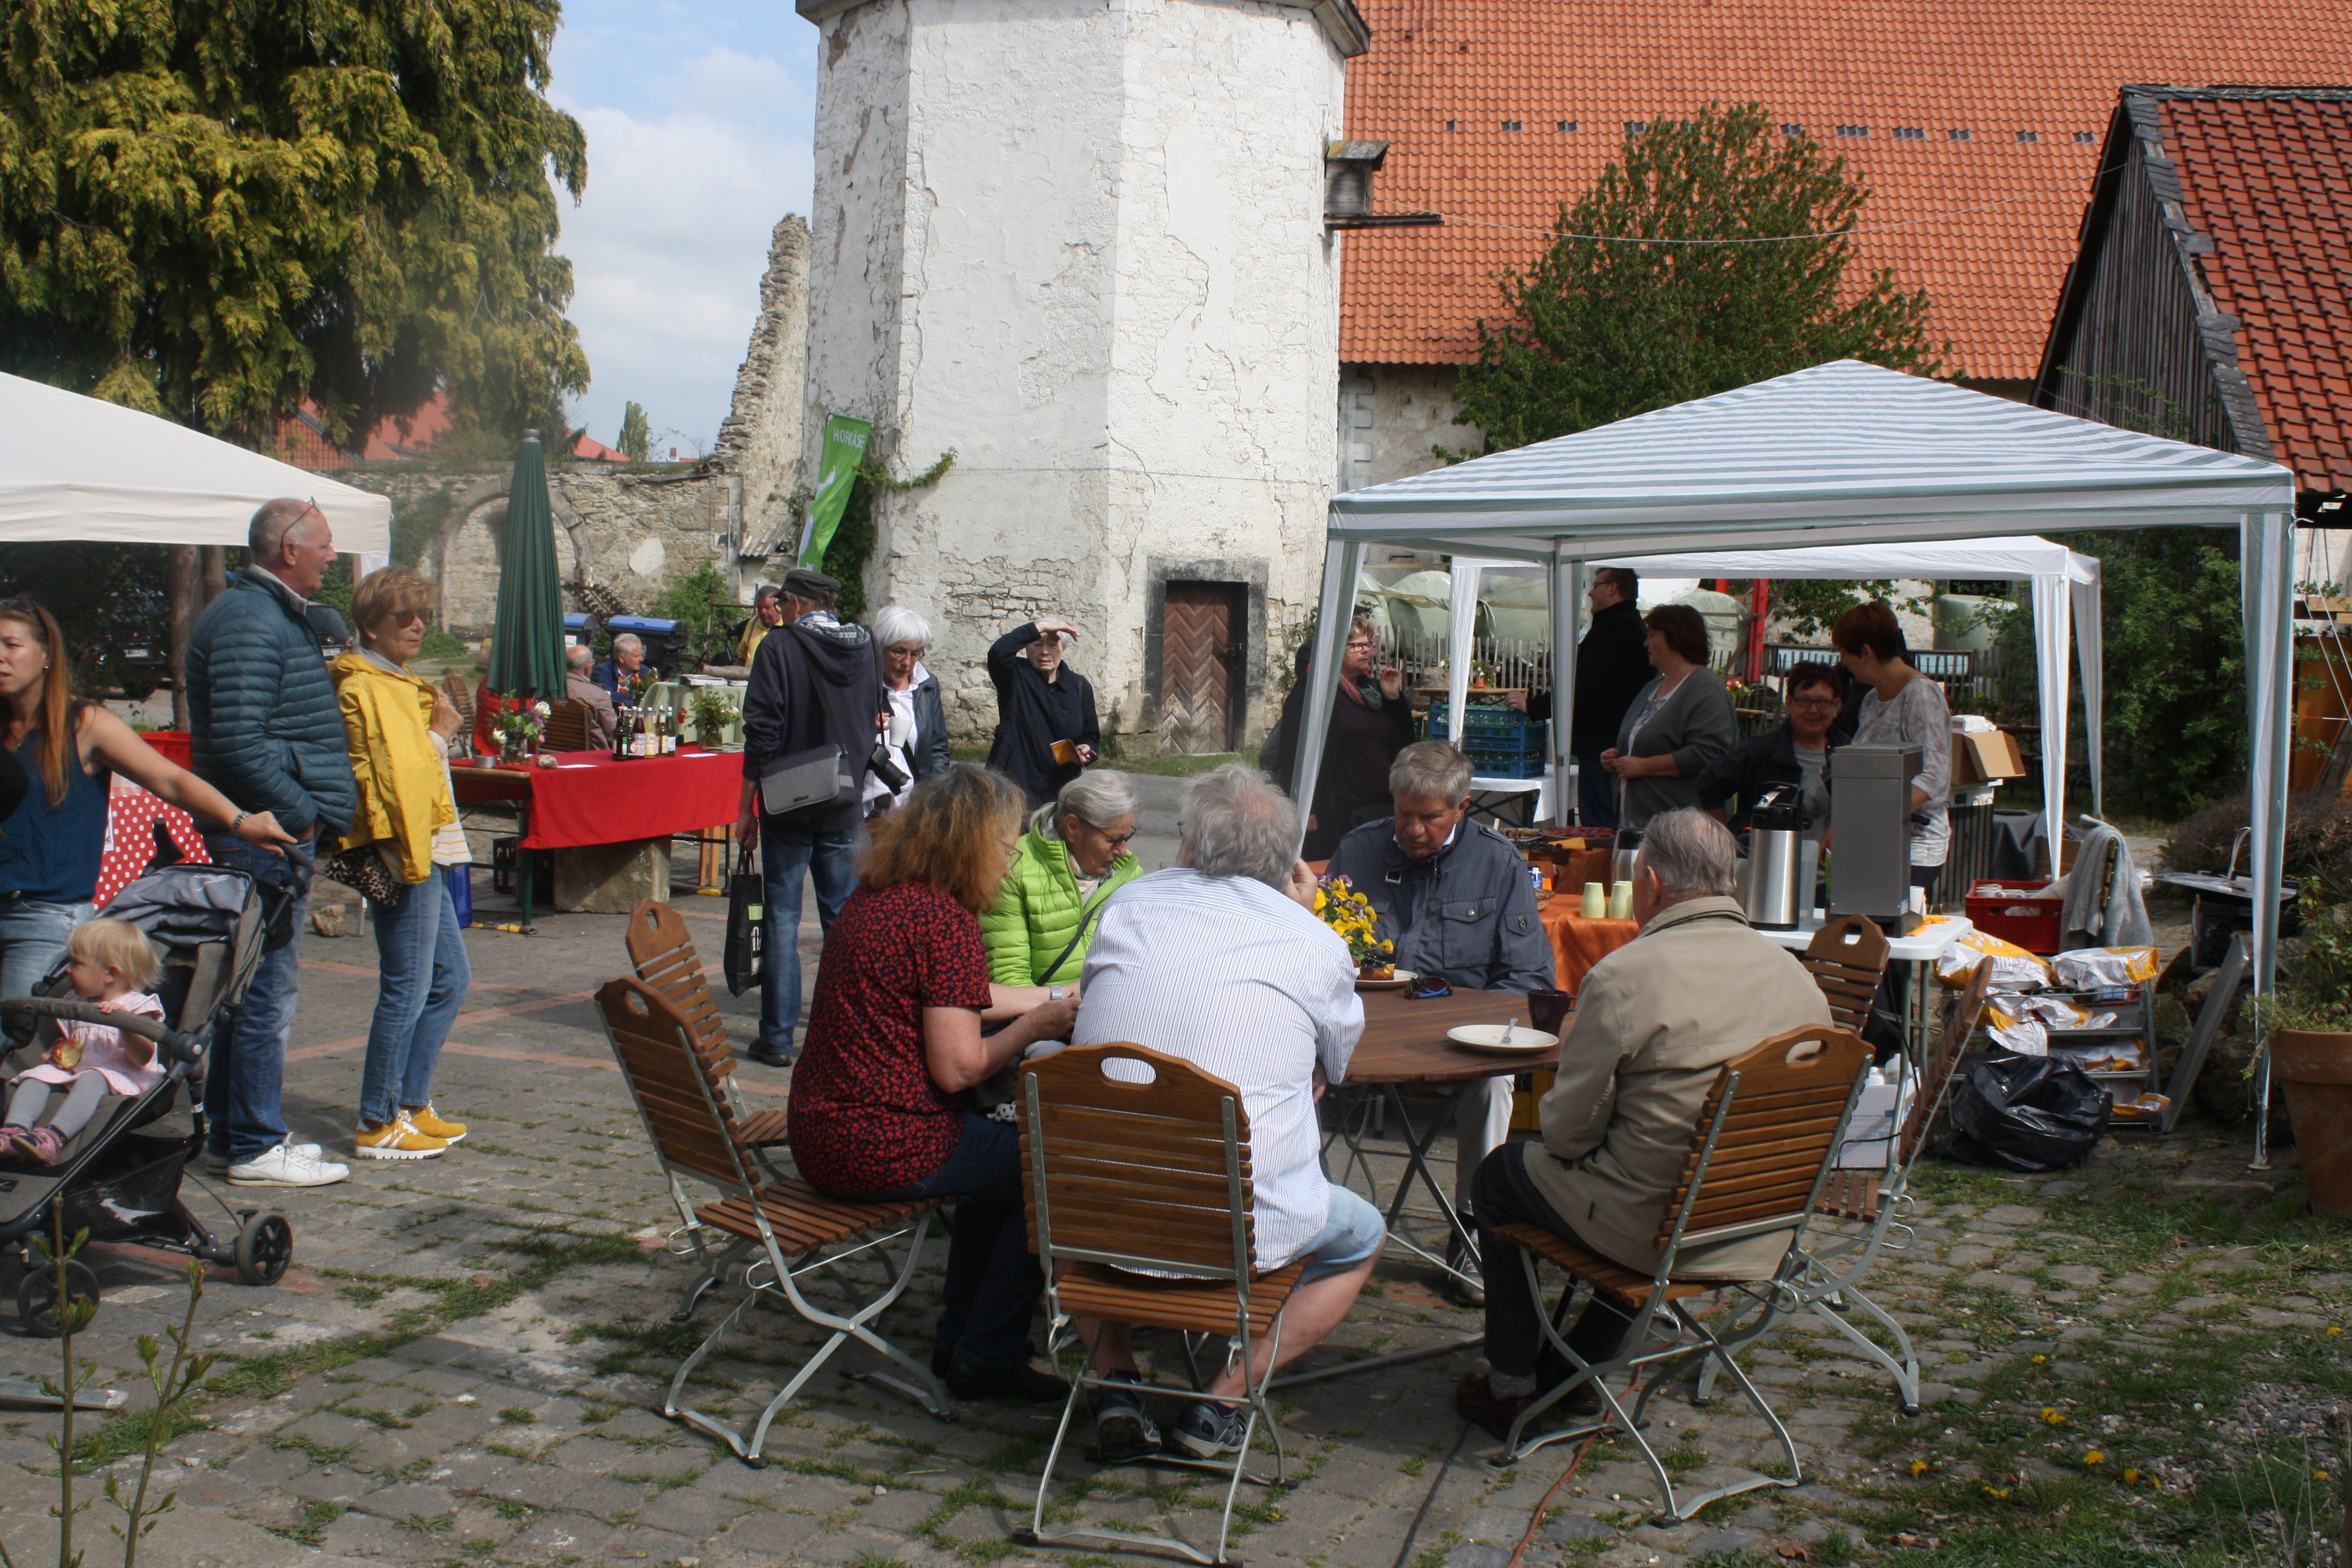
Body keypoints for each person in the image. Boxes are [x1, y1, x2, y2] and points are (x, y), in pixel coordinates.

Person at [1454, 809, 1833, 1438]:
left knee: (1501, 1176)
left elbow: (1569, 1136)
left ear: (1650, 884)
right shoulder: (1800, 981)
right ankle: (1578, 1370)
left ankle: (1512, 1385)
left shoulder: (1627, 976)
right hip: (1762, 1220)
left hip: (1658, 1228)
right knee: (1651, 1173)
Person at [1071, 763, 1383, 1462]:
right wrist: (1300, 920)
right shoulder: (1313, 942)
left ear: (1187, 846)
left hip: (1095, 1216)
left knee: (1088, 1179)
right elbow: (1335, 1068)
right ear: (1286, 863)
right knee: (1362, 1234)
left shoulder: (1126, 908)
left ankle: (1115, 1377)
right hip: (1234, 1232)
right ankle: (1224, 1398)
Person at [784, 764, 1080, 1400]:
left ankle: (962, 1339)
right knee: (1056, 1176)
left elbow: (956, 995)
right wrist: (1039, 1024)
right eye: (1006, 849)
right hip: (883, 1144)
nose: (1011, 864)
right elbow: (962, 1068)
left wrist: (1053, 993)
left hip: (821, 1129)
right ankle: (988, 1352)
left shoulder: (882, 898)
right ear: (971, 845)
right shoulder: (942, 922)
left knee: (1005, 1168)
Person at [1327, 740, 1552, 1304]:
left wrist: (1464, 1028)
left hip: (1458, 1040)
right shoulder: (1358, 851)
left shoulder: (1498, 863)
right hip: (1363, 1035)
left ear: (1462, 807)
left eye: (1429, 817)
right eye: (1404, 813)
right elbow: (1315, 955)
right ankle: (1312, 1220)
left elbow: (1528, 979)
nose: (1413, 829)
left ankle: (1473, 1232)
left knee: (1497, 1080)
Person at [0, 598, 294, 1000]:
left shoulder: (86, 726)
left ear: (46, 654)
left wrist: (240, 820)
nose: (0, 657)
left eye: (10, 645)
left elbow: (170, 780)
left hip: (46, 919)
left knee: (13, 1047)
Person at [185, 498, 356, 1187]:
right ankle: (254, 1142)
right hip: (260, 835)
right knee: (263, 995)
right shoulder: (251, 620)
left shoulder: (264, 614)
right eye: (324, 545)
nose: (331, 557)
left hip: (267, 830)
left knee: (252, 989)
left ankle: (236, 1134)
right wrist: (301, 813)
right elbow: (236, 742)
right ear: (289, 550)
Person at [330, 567, 475, 1161]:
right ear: (372, 625)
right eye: (404, 617)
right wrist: (440, 736)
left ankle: (410, 1102)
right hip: (404, 850)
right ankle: (377, 1116)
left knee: (451, 979)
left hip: (428, 843)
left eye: (423, 615)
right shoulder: (365, 686)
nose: (418, 625)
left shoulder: (396, 680)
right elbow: (396, 778)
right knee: (407, 989)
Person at [736, 567, 881, 1067]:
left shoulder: (778, 648)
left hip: (789, 801)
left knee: (781, 918)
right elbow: (874, 716)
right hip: (844, 799)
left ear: (794, 604)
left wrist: (746, 806)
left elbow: (762, 732)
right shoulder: (866, 647)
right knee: (842, 922)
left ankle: (777, 1039)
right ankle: (843, 1035)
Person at [0, 917, 166, 1163]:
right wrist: (55, 1053)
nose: (68, 970)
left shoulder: (139, 1005)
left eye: (76, 964)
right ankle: (12, 1130)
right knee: (36, 1074)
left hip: (123, 1077)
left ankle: (53, 1138)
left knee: (94, 1077)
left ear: (110, 974)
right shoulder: (75, 1002)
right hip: (77, 1072)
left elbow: (144, 1056)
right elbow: (77, 1042)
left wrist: (126, 1024)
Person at [1258, 613, 1415, 861]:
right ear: (1336, 649)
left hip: (1380, 807)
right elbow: (1294, 747)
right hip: (1336, 809)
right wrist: (1305, 804)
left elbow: (1405, 744)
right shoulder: (1316, 688)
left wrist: (1395, 699)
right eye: (1356, 646)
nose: (1365, 651)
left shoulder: (1373, 689)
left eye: (1368, 645)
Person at [1832, 602, 1952, 900]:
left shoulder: (1921, 695)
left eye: (1845, 653)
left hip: (1914, 848)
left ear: (1866, 652)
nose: (1843, 662)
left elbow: (1935, 775)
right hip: (1873, 844)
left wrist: (1872, 816)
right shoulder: (1872, 699)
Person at [980, 771, 1143, 988]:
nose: (1123, 852)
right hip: (1044, 1016)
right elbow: (1009, 978)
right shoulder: (1013, 871)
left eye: (1127, 837)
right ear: (1073, 828)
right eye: (1114, 840)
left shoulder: (1128, 874)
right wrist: (1065, 1008)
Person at [1599, 604, 1736, 832]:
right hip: (1640, 827)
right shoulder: (1652, 688)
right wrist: (1619, 755)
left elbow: (1709, 754)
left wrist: (1643, 766)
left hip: (1681, 834)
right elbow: (1644, 740)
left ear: (1675, 638)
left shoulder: (1705, 688)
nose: (1646, 643)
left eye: (1652, 636)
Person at [1693, 662, 1843, 841]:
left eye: (1823, 702)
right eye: (1804, 701)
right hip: (1767, 863)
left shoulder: (1848, 751)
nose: (1813, 710)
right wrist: (1724, 843)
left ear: (1837, 706)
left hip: (1834, 865)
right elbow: (1709, 783)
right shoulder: (1763, 750)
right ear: (1789, 703)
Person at [986, 616, 1099, 808]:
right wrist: (1039, 627)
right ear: (1027, 649)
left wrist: (1086, 749)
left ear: (1063, 650)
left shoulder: (1079, 686)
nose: (1045, 652)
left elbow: (1091, 735)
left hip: (1058, 790)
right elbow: (998, 653)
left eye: (1053, 645)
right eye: (1037, 645)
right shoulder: (1015, 675)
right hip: (1012, 787)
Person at [1572, 568, 1651, 830]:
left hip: (1602, 745)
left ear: (1613, 588)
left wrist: (1536, 706)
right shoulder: (1629, 625)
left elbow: (1583, 684)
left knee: (1601, 828)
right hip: (1615, 743)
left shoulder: (1614, 628)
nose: (1591, 593)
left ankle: (1603, 871)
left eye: (1596, 586)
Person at [865, 604, 953, 815]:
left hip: (911, 808)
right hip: (867, 807)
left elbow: (938, 749)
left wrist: (934, 797)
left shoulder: (927, 685)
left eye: (915, 654)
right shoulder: (861, 684)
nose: (907, 663)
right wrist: (865, 729)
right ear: (880, 648)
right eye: (899, 652)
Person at [564, 645, 619, 750]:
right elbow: (614, 733)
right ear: (587, 667)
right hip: (592, 756)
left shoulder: (552, 690)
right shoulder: (597, 695)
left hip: (553, 751)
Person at [593, 633, 648, 708]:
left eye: (641, 655)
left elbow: (649, 699)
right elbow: (605, 698)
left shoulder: (645, 672)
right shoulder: (602, 671)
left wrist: (625, 703)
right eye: (637, 656)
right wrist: (634, 696)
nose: (641, 659)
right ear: (622, 658)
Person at [736, 584, 785, 667]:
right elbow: (742, 658)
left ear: (779, 606)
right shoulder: (753, 623)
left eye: (768, 607)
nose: (763, 612)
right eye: (760, 607)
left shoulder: (786, 626)